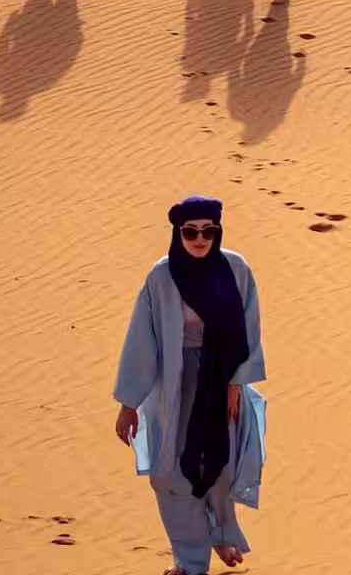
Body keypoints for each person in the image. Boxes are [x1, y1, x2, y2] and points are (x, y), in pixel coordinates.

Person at [114, 196, 268, 575]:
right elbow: (142, 340)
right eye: (190, 231)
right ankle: (189, 560)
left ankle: (219, 533)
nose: (200, 239)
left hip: (222, 382)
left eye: (208, 231)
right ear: (177, 232)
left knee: (222, 465)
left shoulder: (236, 269)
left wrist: (236, 383)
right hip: (174, 382)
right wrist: (129, 402)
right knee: (169, 471)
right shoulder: (161, 277)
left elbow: (248, 330)